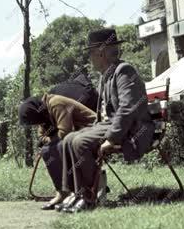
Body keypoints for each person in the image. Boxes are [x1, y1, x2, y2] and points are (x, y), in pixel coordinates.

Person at [59, 28, 154, 213]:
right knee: (68, 140)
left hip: (132, 129)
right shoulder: (106, 75)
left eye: (91, 53)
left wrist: (112, 138)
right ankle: (75, 193)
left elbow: (127, 108)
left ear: (100, 52)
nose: (90, 58)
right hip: (111, 124)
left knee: (80, 142)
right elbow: (105, 114)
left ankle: (88, 198)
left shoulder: (124, 71)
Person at [18, 93, 95, 210]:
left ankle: (75, 191)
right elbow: (41, 135)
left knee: (58, 147)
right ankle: (62, 192)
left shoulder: (56, 103)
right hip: (75, 135)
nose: (36, 124)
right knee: (47, 150)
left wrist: (48, 139)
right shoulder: (43, 112)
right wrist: (48, 140)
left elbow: (65, 131)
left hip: (91, 131)